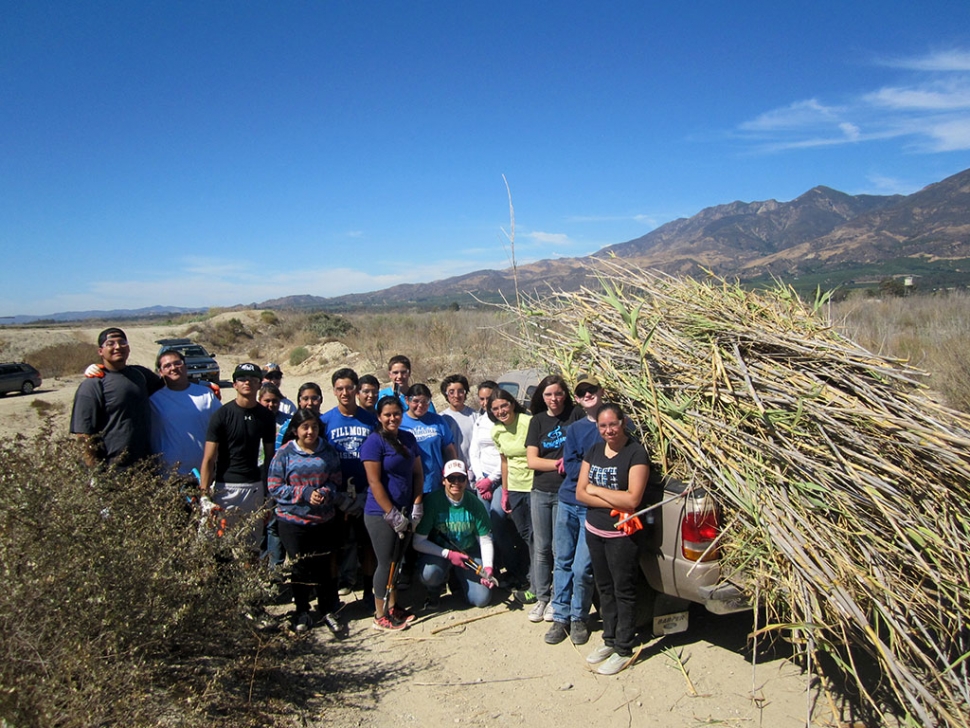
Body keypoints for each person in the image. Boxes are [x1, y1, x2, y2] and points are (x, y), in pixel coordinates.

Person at [577, 403, 651, 676]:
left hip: (622, 534)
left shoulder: (635, 454)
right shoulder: (595, 450)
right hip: (594, 530)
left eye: (613, 424)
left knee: (624, 590)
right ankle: (609, 640)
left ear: (623, 423)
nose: (608, 430)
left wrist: (595, 489)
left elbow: (633, 498)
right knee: (604, 587)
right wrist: (608, 495)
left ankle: (624, 647)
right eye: (603, 426)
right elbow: (580, 493)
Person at [267, 408, 346, 635]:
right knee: (299, 566)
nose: (310, 431)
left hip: (323, 519)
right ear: (296, 430)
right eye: (305, 427)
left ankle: (328, 609)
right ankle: (302, 610)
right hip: (293, 521)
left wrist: (324, 492)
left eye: (314, 427)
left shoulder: (327, 451)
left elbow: (335, 481)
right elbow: (274, 487)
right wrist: (304, 493)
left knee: (324, 566)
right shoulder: (284, 454)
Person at [545, 377, 605, 646]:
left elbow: (616, 464)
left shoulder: (614, 423)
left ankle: (580, 616)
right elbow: (570, 466)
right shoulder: (575, 429)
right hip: (568, 501)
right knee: (563, 561)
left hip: (593, 507)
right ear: (577, 399)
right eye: (582, 392)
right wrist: (595, 465)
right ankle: (561, 616)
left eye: (592, 390)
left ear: (601, 393)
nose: (588, 394)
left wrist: (588, 464)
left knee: (583, 567)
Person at [360, 395, 424, 631]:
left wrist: (418, 503)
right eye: (387, 414)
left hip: (406, 509)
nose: (392, 418)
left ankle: (393, 605)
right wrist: (391, 513)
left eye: (396, 414)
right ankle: (380, 614)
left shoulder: (408, 438)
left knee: (397, 561)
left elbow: (418, 473)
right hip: (380, 513)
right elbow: (374, 482)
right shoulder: (374, 443)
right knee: (385, 563)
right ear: (379, 417)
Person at [199, 363, 277, 555]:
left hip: (254, 487)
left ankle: (250, 584)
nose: (247, 382)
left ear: (260, 384)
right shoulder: (222, 415)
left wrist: (269, 494)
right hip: (225, 487)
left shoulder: (266, 416)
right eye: (242, 378)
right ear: (234, 384)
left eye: (252, 379)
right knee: (218, 546)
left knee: (251, 546)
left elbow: (269, 458)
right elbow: (209, 458)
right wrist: (204, 495)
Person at [319, 368, 378, 603]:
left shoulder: (370, 419)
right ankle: (334, 591)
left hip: (366, 490)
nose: (345, 392)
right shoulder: (325, 421)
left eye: (349, 388)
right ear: (334, 391)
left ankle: (367, 591)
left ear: (356, 389)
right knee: (336, 544)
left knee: (367, 543)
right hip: (337, 492)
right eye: (340, 388)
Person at [525, 375, 581, 623]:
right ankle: (541, 598)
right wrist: (560, 464)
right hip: (540, 491)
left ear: (565, 394)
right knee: (541, 548)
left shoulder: (575, 415)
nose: (554, 399)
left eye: (558, 393)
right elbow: (532, 461)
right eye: (548, 394)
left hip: (566, 493)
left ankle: (559, 599)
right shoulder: (537, 421)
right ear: (542, 397)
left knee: (561, 550)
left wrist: (569, 466)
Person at [71, 327, 164, 468]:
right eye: (111, 343)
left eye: (122, 342)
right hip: (113, 468)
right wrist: (95, 471)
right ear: (100, 351)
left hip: (145, 465)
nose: (118, 347)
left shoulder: (140, 375)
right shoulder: (93, 384)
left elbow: (171, 383)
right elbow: (84, 435)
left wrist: (205, 384)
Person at [414, 460, 496, 609]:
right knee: (429, 573)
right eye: (451, 478)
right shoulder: (433, 501)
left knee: (481, 599)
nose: (456, 483)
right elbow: (418, 542)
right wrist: (448, 554)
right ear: (444, 480)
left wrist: (488, 567)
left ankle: (459, 580)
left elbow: (485, 539)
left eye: (461, 478)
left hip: (468, 552)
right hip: (440, 553)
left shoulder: (475, 504)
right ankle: (433, 590)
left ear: (466, 480)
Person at [488, 388, 536, 605]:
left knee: (537, 536)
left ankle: (537, 583)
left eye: (504, 405)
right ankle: (530, 576)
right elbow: (505, 461)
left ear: (512, 404)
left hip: (535, 484)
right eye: (495, 408)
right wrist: (505, 491)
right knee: (524, 533)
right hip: (515, 487)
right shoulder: (496, 431)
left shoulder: (529, 422)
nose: (501, 411)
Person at [149, 348, 221, 476]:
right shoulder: (154, 400)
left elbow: (223, 426)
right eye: (167, 366)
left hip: (205, 473)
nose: (173, 368)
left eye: (177, 363)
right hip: (169, 475)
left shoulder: (205, 394)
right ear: (160, 372)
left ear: (185, 366)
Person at [440, 374, 477, 475]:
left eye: (461, 391)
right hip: (451, 473)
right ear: (446, 394)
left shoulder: (475, 416)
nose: (456, 395)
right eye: (451, 392)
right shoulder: (441, 419)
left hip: (473, 472)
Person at [275, 382, 325, 449]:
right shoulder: (288, 425)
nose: (310, 403)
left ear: (321, 400)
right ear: (299, 401)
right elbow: (278, 451)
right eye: (305, 399)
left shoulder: (326, 422)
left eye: (314, 398)